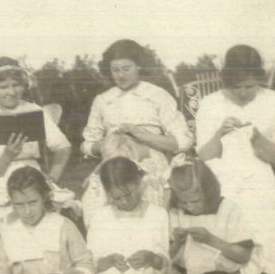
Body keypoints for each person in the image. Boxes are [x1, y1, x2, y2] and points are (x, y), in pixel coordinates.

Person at [195, 44, 275, 274]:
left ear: (260, 79)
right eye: (235, 87)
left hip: (258, 168)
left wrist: (258, 138)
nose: (243, 93)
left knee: (261, 206)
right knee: (226, 205)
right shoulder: (210, 103)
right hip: (218, 171)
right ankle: (226, 273)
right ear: (225, 82)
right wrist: (219, 134)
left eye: (249, 86)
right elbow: (205, 156)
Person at [81, 39, 192, 220]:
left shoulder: (157, 95)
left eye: (126, 68)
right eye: (115, 70)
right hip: (112, 164)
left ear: (138, 66)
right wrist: (105, 145)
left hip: (149, 166)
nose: (121, 75)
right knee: (97, 210)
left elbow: (183, 142)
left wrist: (139, 134)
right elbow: (87, 144)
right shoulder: (103, 100)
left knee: (149, 215)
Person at [69, 157, 170, 274]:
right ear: (108, 194)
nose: (124, 201)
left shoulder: (158, 214)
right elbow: (91, 265)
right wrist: (108, 261)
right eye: (117, 197)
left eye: (128, 194)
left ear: (138, 184)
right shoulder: (100, 217)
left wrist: (151, 257)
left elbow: (164, 263)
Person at [0, 57, 72, 235]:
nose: (11, 92)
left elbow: (63, 147)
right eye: (3, 87)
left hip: (32, 175)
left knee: (48, 228)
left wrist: (52, 178)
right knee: (13, 232)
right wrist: (7, 156)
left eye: (16, 85)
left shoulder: (34, 111)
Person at [166, 155, 261, 274]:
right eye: (184, 202)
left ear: (209, 191)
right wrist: (178, 243)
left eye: (195, 201)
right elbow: (169, 256)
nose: (190, 207)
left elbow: (243, 256)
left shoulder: (228, 210)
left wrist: (212, 240)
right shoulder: (177, 212)